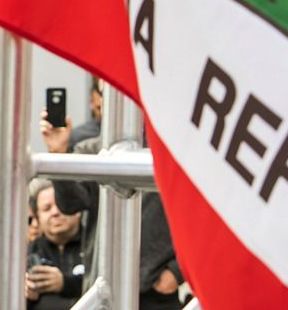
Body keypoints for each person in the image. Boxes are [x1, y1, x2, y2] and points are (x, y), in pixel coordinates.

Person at [40, 112, 184, 309]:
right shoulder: (92, 149)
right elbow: (70, 205)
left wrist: (176, 272)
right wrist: (58, 153)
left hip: (155, 294)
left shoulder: (174, 149)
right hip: (102, 288)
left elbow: (202, 219)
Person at [25, 180, 86, 309]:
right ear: (37, 217)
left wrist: (65, 284)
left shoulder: (95, 246)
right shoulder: (27, 251)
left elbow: (108, 286)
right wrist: (24, 294)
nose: (55, 212)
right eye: (47, 208)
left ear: (78, 210)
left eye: (60, 205)